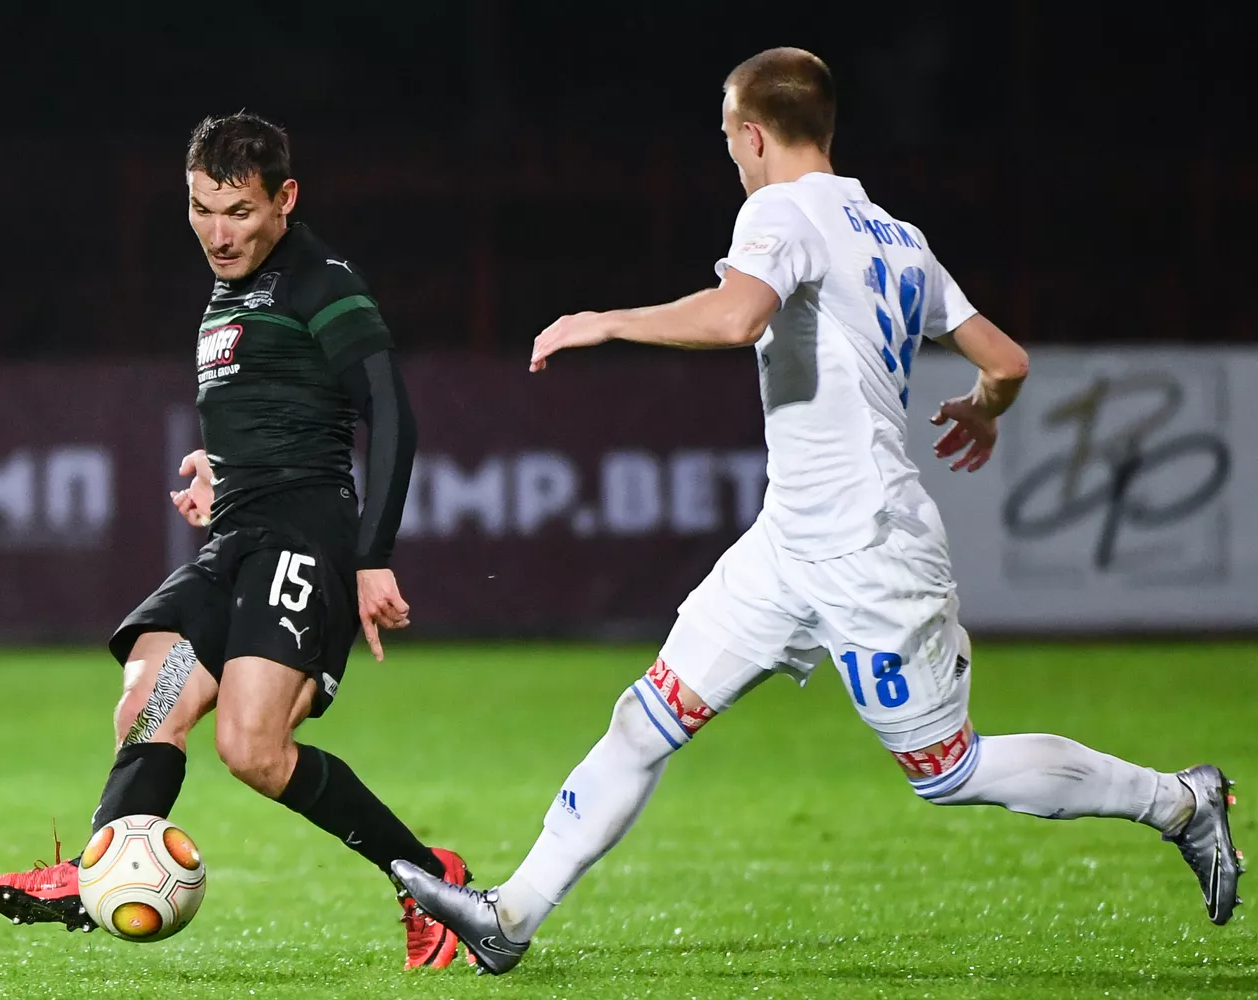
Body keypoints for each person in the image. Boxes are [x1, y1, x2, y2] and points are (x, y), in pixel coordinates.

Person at [391, 48, 1244, 975]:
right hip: (788, 542)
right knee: (646, 718)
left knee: (950, 771)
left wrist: (603, 321)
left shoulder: (782, 211)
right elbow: (1007, 362)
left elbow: (736, 318)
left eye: (730, 138)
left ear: (754, 135)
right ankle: (509, 918)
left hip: (869, 546)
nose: (732, 157)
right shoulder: (897, 236)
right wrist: (983, 410)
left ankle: (1179, 802)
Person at [0, 112, 472, 970]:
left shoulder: (319, 280)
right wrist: (224, 467)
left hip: (303, 537)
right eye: (201, 209)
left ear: (285, 198)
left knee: (252, 749)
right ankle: (95, 872)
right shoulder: (230, 290)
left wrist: (372, 554)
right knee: (148, 698)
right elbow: (280, 405)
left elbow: (390, 411)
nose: (217, 232)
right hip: (239, 531)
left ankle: (431, 880)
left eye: (238, 211)